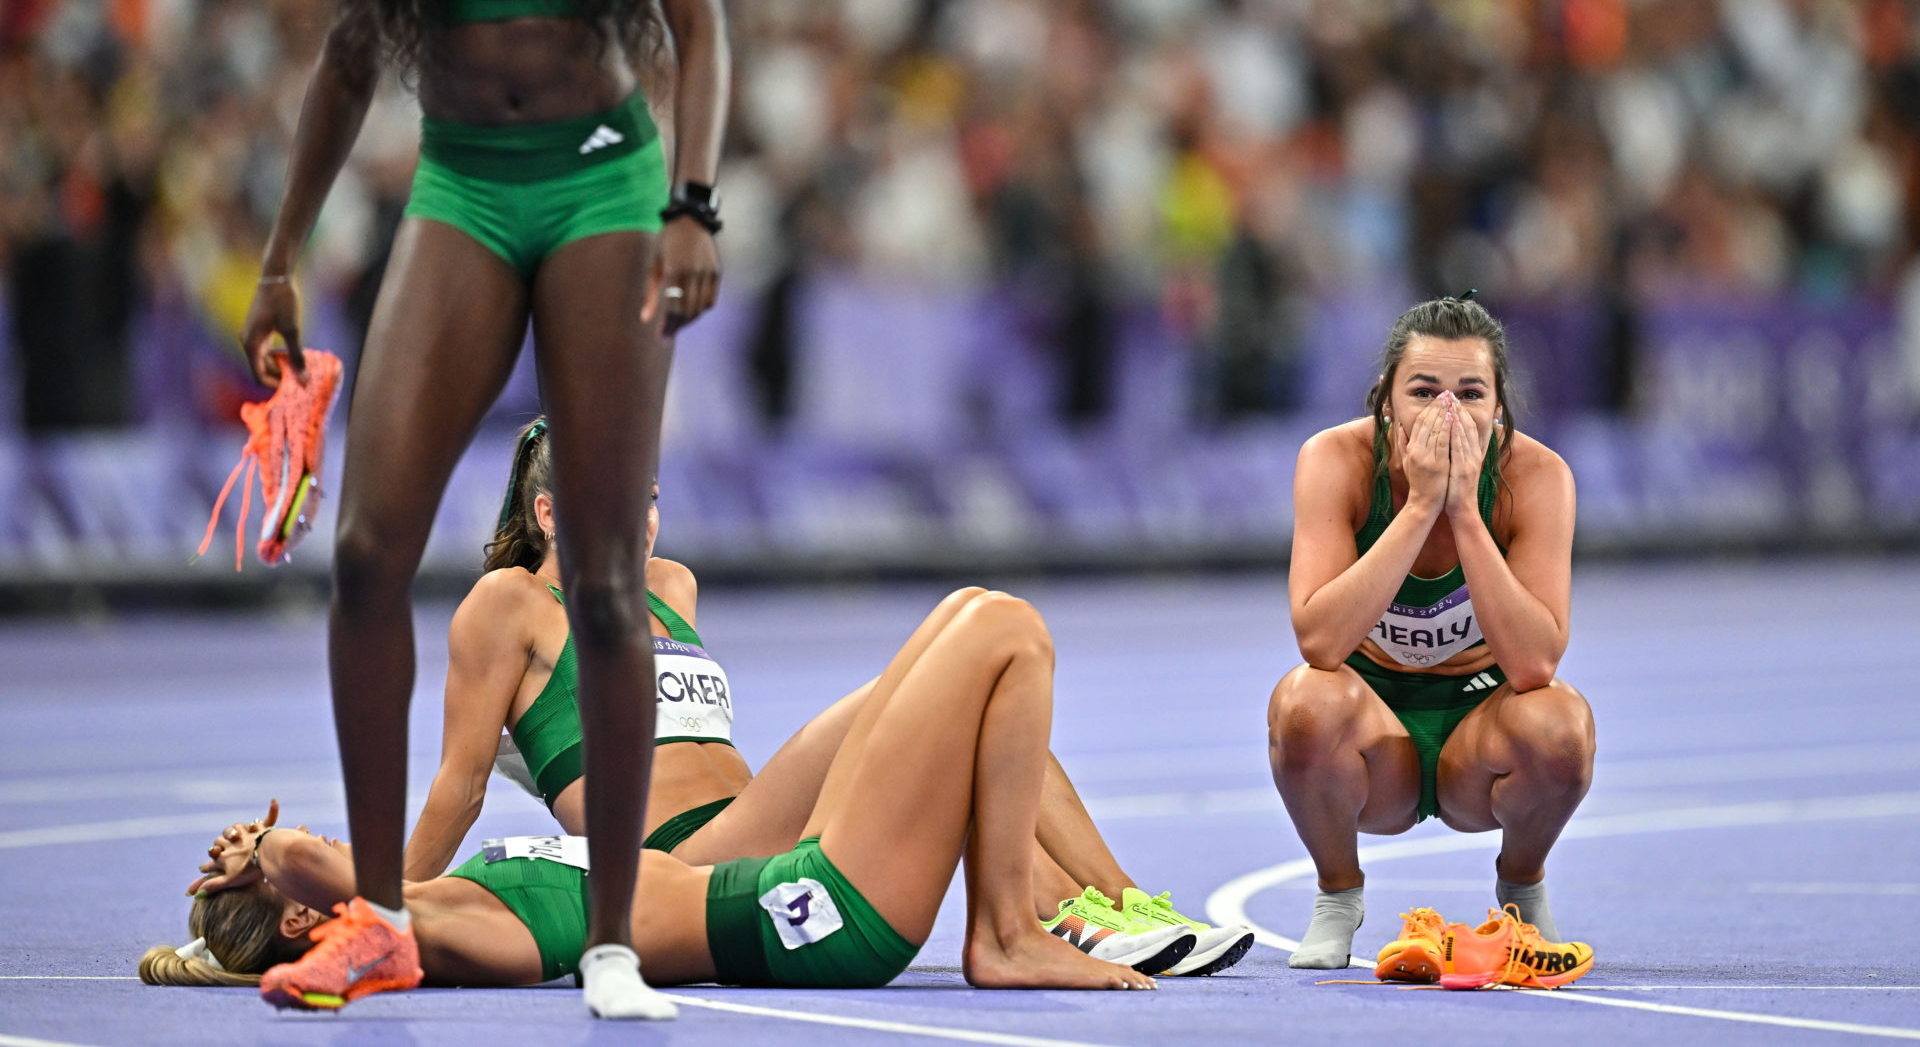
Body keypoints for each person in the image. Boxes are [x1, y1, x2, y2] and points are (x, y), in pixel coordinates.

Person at [237, 0, 729, 1019]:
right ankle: (383, 913)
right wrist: (280, 253)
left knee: (601, 581)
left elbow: (700, 17)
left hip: (599, 185)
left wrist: (691, 203)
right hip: (461, 183)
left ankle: (618, 937)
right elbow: (346, 51)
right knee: (370, 549)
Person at [402, 418, 1254, 978]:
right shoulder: (506, 605)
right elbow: (462, 784)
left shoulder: (672, 587)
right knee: (930, 686)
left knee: (966, 718)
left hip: (761, 823)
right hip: (675, 860)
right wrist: (382, 905)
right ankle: (1065, 914)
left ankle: (1113, 902)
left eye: (650, 499)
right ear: (550, 514)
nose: (644, 521)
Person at [143, 592, 1197, 1007]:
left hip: (776, 881)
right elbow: (367, 883)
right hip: (807, 913)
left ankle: (1066, 903)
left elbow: (382, 879)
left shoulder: (441, 896)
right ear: (303, 913)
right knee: (1005, 629)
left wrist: (241, 897)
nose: (317, 835)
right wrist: (274, 846)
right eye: (304, 856)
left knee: (964, 628)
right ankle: (1007, 930)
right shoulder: (454, 931)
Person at [1266, 295, 1595, 969]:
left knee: (1564, 727)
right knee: (1302, 703)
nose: (1448, 412)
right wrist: (1419, 506)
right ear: (1385, 402)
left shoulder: (1538, 476)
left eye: (1471, 393)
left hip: (1480, 730)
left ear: (1499, 408)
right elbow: (1321, 643)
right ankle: (1337, 892)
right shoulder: (1335, 461)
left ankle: (1522, 883)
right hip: (1371, 731)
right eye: (1424, 391)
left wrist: (1467, 515)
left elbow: (1535, 663)